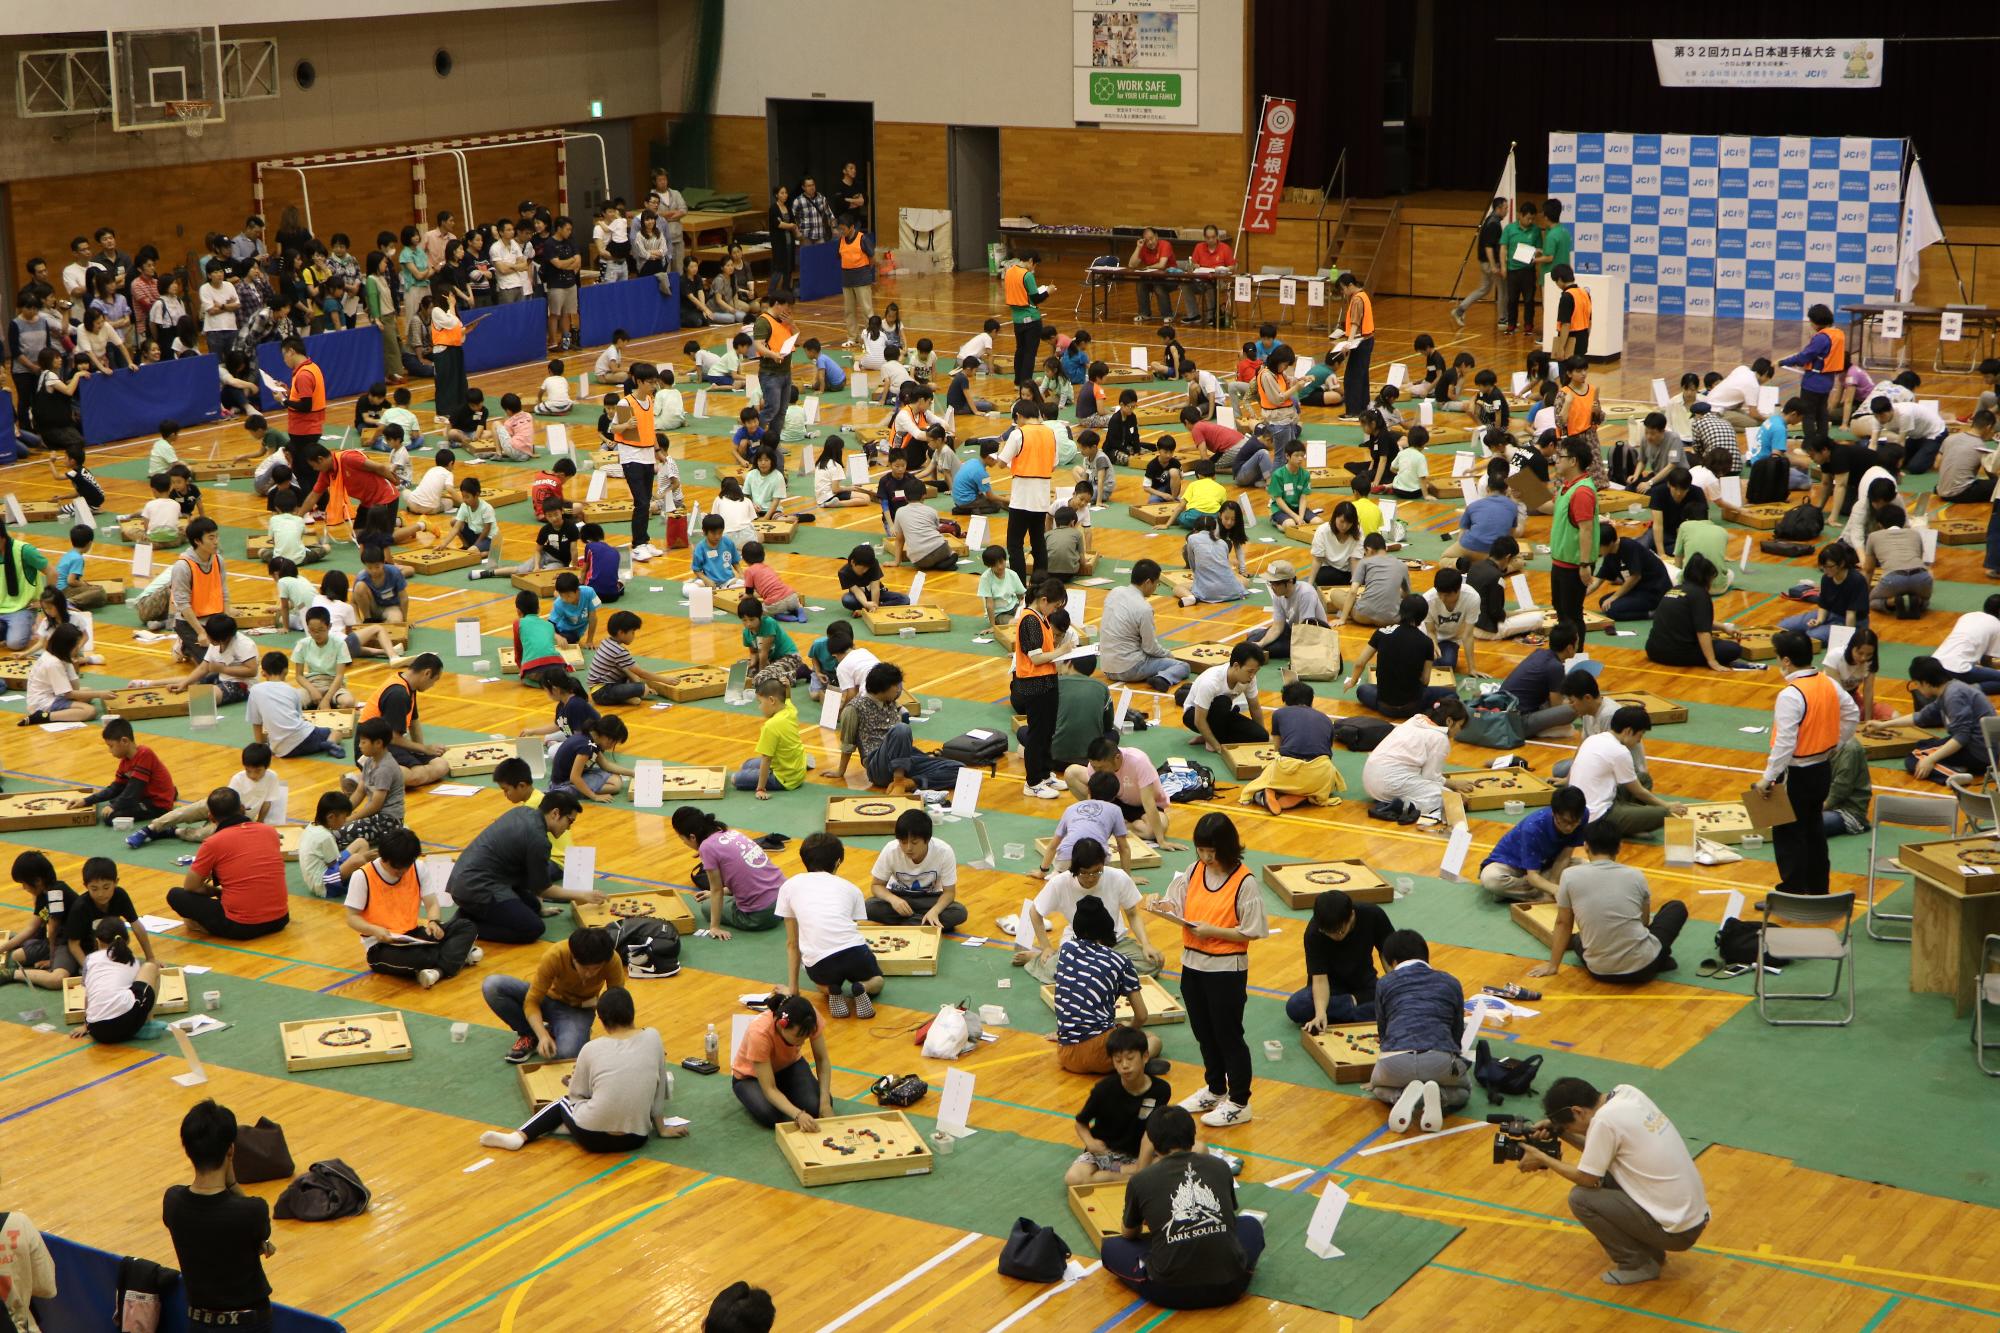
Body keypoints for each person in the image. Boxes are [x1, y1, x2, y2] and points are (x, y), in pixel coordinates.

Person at [1515, 1078, 1710, 1286]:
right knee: (1607, 1173)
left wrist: (1542, 1157)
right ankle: (1651, 1252)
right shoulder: (1627, 1093)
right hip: (1691, 1217)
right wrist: (1561, 1131)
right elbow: (1599, 1152)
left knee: (1580, 1198)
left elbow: (1587, 1178)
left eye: (1570, 1125)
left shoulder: (1604, 1121)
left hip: (1678, 1232)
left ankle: (1637, 1264)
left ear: (1578, 1111)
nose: (1574, 1131)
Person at [1148, 812, 1266, 1128]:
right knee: (1204, 1032)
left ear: (1227, 848)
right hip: (1192, 965)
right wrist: (1162, 907)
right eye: (1201, 850)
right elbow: (1176, 904)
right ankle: (1215, 1089)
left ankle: (1240, 1101)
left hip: (1226, 969)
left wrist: (1213, 931)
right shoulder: (1193, 870)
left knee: (1228, 1035)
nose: (1205, 857)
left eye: (1211, 852)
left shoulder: (1245, 882)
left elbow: (1251, 931)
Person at [481, 986, 682, 1153]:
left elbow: (576, 1095)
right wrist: (662, 1128)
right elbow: (658, 1091)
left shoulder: (591, 1048)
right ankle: (565, 1126)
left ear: (601, 1021)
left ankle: (519, 1136)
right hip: (635, 1139)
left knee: (562, 1103)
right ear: (632, 1013)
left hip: (591, 1138)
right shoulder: (653, 1037)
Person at [1102, 1104, 1264, 1309]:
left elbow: (1129, 1234)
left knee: (1111, 1247)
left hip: (1169, 1293)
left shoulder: (1141, 1180)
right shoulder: (1219, 1166)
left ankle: (1167, 1252)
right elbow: (1229, 1217)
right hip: (1231, 1286)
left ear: (1152, 1142)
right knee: (1250, 1224)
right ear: (1193, 1135)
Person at [1758, 629, 1859, 895]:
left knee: (1788, 833)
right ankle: (1818, 890)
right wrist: (1836, 744)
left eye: (1779, 657)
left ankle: (1791, 892)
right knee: (1813, 829)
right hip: (1821, 769)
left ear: (1787, 660)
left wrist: (1768, 778)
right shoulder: (1828, 682)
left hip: (1795, 773)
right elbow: (1852, 714)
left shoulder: (1790, 695)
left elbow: (1785, 743)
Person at [1529, 823, 1689, 983]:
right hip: (1643, 969)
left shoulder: (1569, 876)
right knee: (1676, 907)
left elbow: (1563, 923)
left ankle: (1656, 958)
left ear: (1586, 846)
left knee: (1579, 938)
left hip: (1599, 971)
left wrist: (1553, 966)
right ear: (1619, 847)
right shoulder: (1636, 875)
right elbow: (1644, 922)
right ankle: (1659, 958)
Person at [164, 1100, 272, 1332]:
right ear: (230, 1150)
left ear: (188, 1149)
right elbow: (253, 1226)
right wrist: (232, 1180)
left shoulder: (172, 1202)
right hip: (247, 1325)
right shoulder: (252, 1211)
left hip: (198, 1323)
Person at [344, 827, 479, 987]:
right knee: (422, 958)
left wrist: (434, 922)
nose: (402, 872)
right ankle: (457, 956)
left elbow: (432, 903)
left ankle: (438, 971)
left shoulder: (418, 867)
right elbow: (352, 917)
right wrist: (374, 930)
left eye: (407, 866)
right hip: (381, 946)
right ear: (384, 858)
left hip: (413, 935)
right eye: (397, 869)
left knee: (466, 926)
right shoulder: (362, 876)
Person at [447, 792, 590, 943]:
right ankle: (464, 925)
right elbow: (544, 889)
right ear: (555, 813)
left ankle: (469, 912)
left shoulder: (522, 811)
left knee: (534, 906)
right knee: (533, 928)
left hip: (463, 880)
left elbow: (530, 880)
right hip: (477, 887)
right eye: (570, 821)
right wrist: (582, 895)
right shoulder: (538, 839)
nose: (568, 828)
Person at [1366, 929, 1470, 1131]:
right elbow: (1456, 1034)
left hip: (1396, 1060)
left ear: (1392, 962)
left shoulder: (1384, 983)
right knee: (1464, 1091)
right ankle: (1438, 1097)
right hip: (1438, 1058)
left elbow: (1384, 1031)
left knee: (1377, 1087)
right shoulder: (1451, 982)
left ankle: (1400, 1096)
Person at [1051, 895, 1163, 1073]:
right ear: (1108, 927)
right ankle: (1137, 1064)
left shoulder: (1066, 951)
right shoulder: (1120, 961)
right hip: (1103, 1052)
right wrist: (1129, 1030)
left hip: (1066, 1054)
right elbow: (1141, 1015)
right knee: (1152, 1039)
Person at [779, 832, 883, 1018]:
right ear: (837, 862)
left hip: (820, 962)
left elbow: (792, 944)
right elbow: (849, 927)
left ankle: (833, 990)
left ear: (804, 859)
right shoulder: (851, 888)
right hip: (854, 952)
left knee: (822, 983)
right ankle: (861, 987)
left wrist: (793, 990)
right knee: (877, 981)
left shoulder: (789, 886)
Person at [485, 925, 625, 1063]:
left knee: (567, 1055)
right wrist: (542, 1036)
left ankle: (564, 1030)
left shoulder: (612, 960)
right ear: (574, 958)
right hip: (547, 998)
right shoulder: (556, 954)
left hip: (577, 1011)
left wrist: (620, 1043)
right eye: (585, 968)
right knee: (492, 986)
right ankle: (531, 1034)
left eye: (596, 969)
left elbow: (616, 1002)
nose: (589, 974)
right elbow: (532, 1001)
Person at [167, 789, 290, 940]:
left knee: (176, 895)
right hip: (280, 919)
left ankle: (203, 927)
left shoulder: (212, 843)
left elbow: (191, 887)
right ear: (242, 809)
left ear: (211, 817)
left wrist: (217, 892)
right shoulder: (269, 831)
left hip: (243, 927)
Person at [1065, 1025, 1171, 1185]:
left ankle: (1133, 1174)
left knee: (1196, 1151)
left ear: (1145, 1056)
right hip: (1106, 1152)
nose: (1124, 1065)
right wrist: (1091, 1143)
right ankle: (1131, 1178)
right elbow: (1081, 1123)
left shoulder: (1161, 1090)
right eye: (1118, 1060)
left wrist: (1141, 1165)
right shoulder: (1104, 1089)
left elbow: (1150, 1133)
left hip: (1143, 1153)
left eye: (1130, 1058)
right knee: (1073, 1178)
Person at [1869, 656, 1995, 785]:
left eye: (1917, 684)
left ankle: (1954, 776)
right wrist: (1883, 725)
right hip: (1983, 748)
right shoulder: (1950, 689)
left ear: (1925, 682)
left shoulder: (1953, 696)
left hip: (1979, 752)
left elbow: (1962, 737)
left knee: (1914, 759)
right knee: (1923, 745)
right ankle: (1959, 768)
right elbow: (1921, 717)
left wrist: (1930, 759)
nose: (1917, 687)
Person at [1284, 888, 1396, 1029]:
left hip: (1365, 986)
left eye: (1340, 931)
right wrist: (1320, 1013)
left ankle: (1345, 1013)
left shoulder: (1373, 914)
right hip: (1331, 989)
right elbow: (1319, 980)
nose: (1335, 937)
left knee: (1396, 997)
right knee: (1296, 1006)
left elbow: (1388, 954)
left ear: (1352, 916)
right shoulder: (1314, 932)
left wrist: (1396, 986)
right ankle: (1365, 1011)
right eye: (1328, 933)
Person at [1568, 707, 1685, 840]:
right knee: (1663, 813)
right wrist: (1667, 805)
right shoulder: (1620, 752)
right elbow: (1638, 791)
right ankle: (1628, 825)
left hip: (1582, 808)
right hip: (1597, 816)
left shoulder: (1594, 739)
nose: (1639, 741)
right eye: (1639, 736)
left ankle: (1630, 822)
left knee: (1643, 779)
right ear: (1628, 731)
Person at [732, 992, 831, 1130]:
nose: (802, 1043)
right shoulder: (760, 1033)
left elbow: (822, 1060)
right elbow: (769, 1088)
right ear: (781, 1025)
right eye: (798, 1037)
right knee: (771, 1116)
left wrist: (825, 1102)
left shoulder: (809, 1017)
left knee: (816, 1107)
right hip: (751, 1077)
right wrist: (798, 1114)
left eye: (806, 1037)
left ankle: (787, 1093)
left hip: (789, 1066)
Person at [1361, 697, 1469, 822]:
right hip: (1388, 783)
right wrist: (1454, 785)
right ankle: (1399, 807)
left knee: (1439, 791)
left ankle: (1393, 800)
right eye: (1460, 726)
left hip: (1370, 779)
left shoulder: (1416, 719)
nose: (1459, 731)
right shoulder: (1439, 738)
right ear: (1449, 721)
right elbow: (1430, 778)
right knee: (1452, 799)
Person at [1345, 593, 1452, 719]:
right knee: (1450, 695)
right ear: (1423, 617)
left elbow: (1360, 663)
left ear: (1400, 611)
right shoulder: (1427, 642)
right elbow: (1425, 680)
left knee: (1362, 690)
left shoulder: (1382, 632)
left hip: (1384, 706)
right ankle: (1431, 711)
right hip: (1412, 707)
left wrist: (1352, 682)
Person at [1479, 786, 1590, 903]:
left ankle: (1512, 893)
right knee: (1491, 879)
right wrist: (1554, 890)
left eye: (1574, 823)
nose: (1569, 827)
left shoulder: (1583, 815)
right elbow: (1532, 876)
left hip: (1545, 864)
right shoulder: (1533, 828)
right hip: (1511, 863)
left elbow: (1565, 856)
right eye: (1565, 821)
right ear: (1554, 813)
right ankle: (1536, 890)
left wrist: (1551, 887)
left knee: (1587, 867)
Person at [1099, 560, 1187, 690]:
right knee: (1183, 666)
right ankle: (1163, 678)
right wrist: (1169, 655)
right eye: (1156, 584)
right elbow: (1150, 648)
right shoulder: (1144, 608)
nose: (1156, 587)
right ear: (1147, 582)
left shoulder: (1115, 592)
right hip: (1129, 668)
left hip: (1106, 666)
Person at [1646, 556, 1742, 673]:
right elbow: (1702, 631)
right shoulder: (1700, 594)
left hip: (1653, 650)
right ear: (1706, 578)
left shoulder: (1676, 589)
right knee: (1732, 649)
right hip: (1676, 653)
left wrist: (1723, 627)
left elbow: (1693, 619)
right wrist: (1712, 661)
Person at [996, 401, 1056, 581]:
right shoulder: (1050, 433)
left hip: (1022, 497)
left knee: (1015, 545)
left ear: (1019, 416)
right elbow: (1053, 465)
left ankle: (1020, 585)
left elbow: (1000, 463)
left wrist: (1002, 451)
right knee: (1038, 543)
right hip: (1042, 496)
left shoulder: (1018, 434)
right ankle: (1040, 584)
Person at [1182, 641, 1268, 750]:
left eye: (1255, 672)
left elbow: (1255, 707)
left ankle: (1208, 736)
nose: (1252, 676)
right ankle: (1212, 739)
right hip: (1194, 714)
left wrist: (1264, 739)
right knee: (1223, 701)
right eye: (1250, 671)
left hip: (1222, 715)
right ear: (1236, 666)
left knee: (1261, 736)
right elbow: (1199, 720)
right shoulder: (1210, 682)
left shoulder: (1249, 678)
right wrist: (1217, 747)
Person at [1451, 196, 1508, 329]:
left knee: (1484, 289)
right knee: (1503, 290)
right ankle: (1503, 319)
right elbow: (1488, 246)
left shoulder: (1490, 220)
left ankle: (1459, 310)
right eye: (1505, 208)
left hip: (1484, 263)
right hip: (1490, 264)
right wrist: (1494, 265)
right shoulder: (1493, 224)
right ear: (1498, 208)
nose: (1506, 211)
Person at [1002, 251, 1050, 390]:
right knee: (1030, 353)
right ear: (1030, 261)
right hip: (1031, 319)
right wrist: (1048, 292)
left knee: (1020, 350)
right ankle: (1026, 383)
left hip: (1016, 319)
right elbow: (1036, 298)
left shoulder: (1010, 271)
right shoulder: (1027, 275)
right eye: (1034, 264)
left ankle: (1018, 382)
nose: (1034, 268)